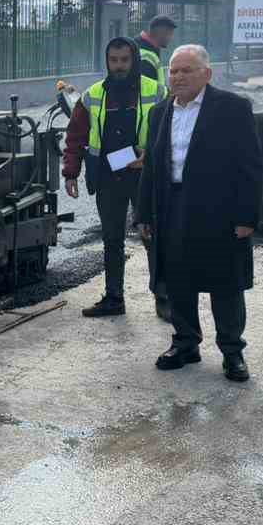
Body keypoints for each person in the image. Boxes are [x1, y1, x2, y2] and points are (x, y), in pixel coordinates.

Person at [137, 44, 262, 383]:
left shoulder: (233, 108)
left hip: (218, 211)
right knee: (178, 279)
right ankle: (185, 343)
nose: (177, 77)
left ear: (206, 74)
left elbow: (250, 166)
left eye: (186, 70)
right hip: (171, 207)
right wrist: (144, 213)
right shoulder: (160, 111)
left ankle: (232, 351)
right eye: (174, 70)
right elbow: (152, 166)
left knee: (226, 283)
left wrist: (246, 217)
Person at [61, 37, 160, 317]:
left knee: (152, 234)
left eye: (124, 60)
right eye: (113, 60)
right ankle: (114, 298)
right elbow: (75, 136)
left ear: (134, 60)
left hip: (144, 176)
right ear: (107, 61)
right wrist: (70, 173)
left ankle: (162, 296)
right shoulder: (92, 95)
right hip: (108, 176)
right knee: (112, 238)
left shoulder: (156, 91)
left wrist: (150, 154)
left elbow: (170, 130)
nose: (118, 66)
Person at [136, 15, 176, 95]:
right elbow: (148, 88)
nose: (172, 38)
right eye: (170, 34)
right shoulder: (145, 56)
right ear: (160, 32)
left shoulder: (143, 47)